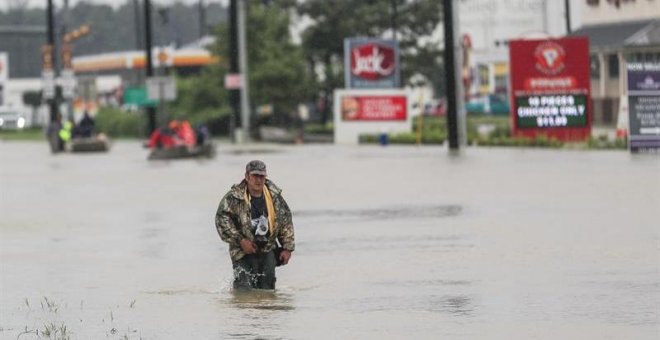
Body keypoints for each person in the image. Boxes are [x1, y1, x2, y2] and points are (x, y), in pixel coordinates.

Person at [215, 160, 295, 290]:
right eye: (255, 176)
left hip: (267, 249)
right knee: (243, 292)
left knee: (267, 292)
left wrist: (287, 247)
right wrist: (241, 241)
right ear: (247, 177)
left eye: (262, 176)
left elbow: (285, 221)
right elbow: (222, 219)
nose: (258, 180)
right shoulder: (233, 197)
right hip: (242, 251)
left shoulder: (274, 196)